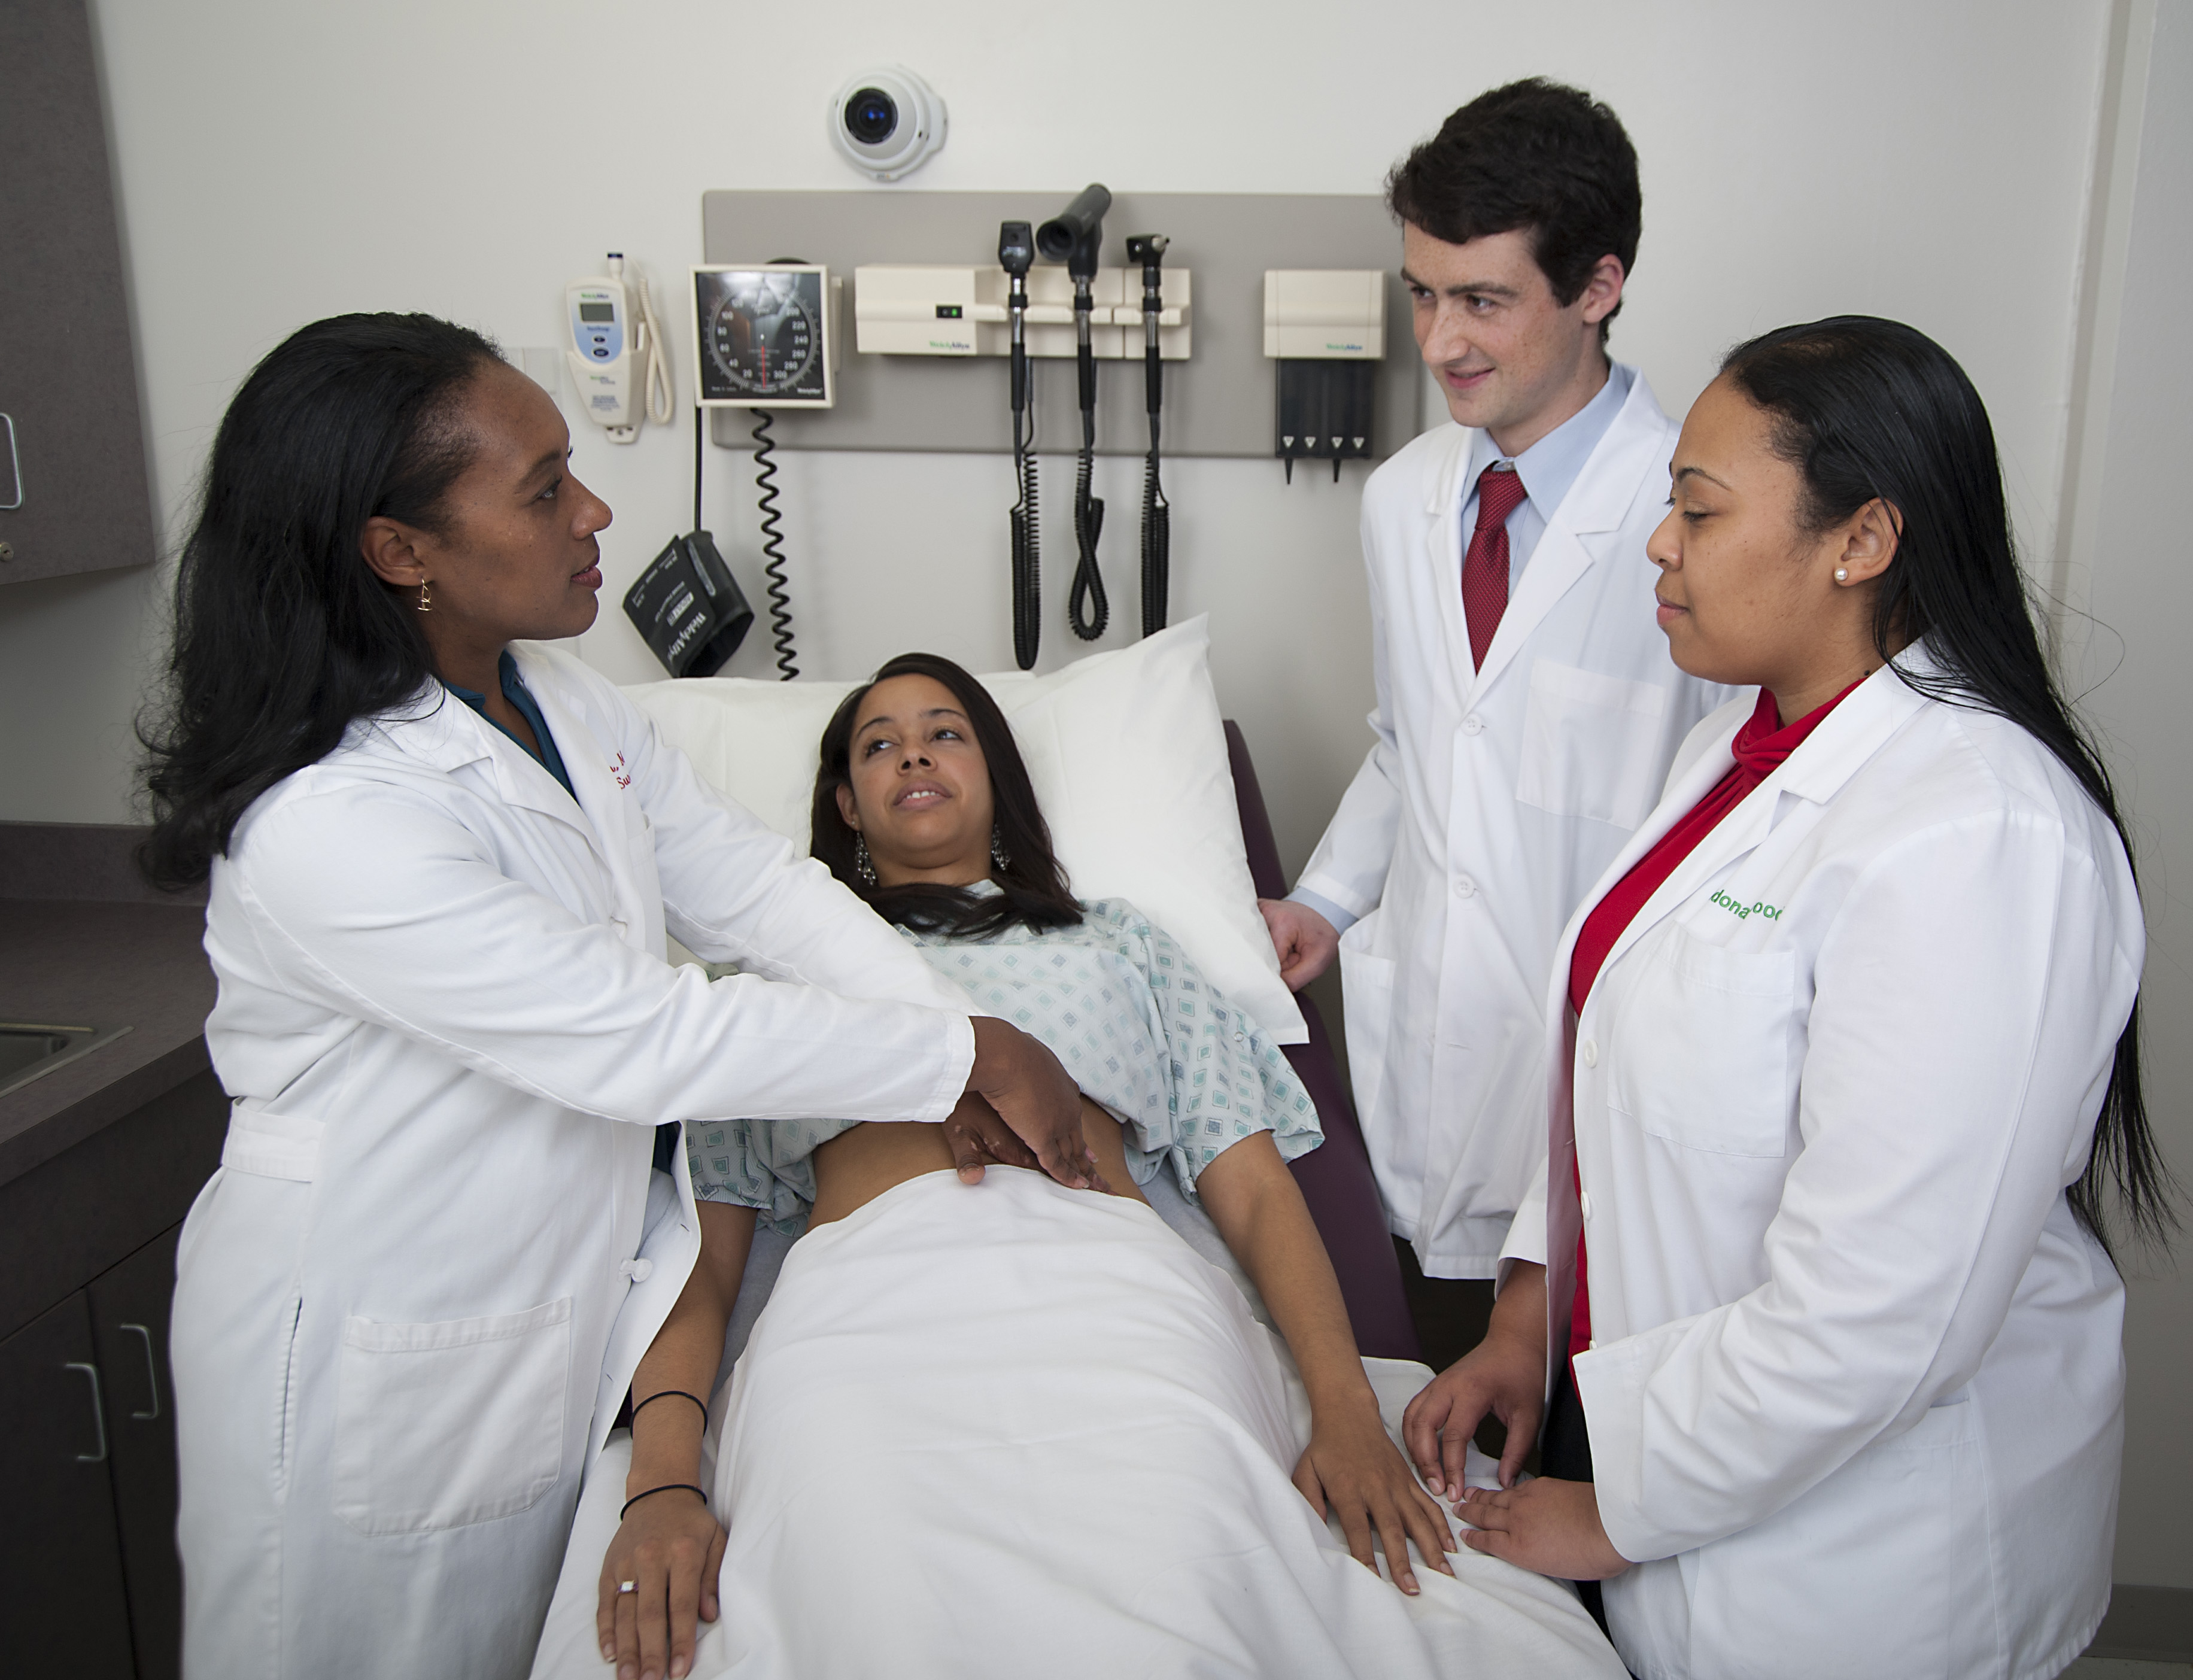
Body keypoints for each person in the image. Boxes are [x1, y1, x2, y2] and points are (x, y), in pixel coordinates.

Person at [145, 315, 1101, 1680]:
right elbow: (644, 1036)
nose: (595, 512)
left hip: (551, 1312)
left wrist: (955, 1036)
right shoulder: (331, 822)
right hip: (376, 1336)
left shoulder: (558, 699)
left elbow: (758, 892)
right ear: (401, 552)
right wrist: (961, 1057)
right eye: (544, 490)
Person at [1403, 317, 2170, 1680]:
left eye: (1699, 511)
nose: (1660, 545)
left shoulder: (1977, 831)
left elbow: (1883, 1313)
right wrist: (1524, 1322)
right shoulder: (1736, 752)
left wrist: (1617, 1509)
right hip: (1681, 1470)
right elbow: (1619, 1075)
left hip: (1863, 1581)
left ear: (1860, 540)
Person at [587, 657, 1609, 1680]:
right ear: (847, 805)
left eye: (946, 733)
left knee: (1178, 1561)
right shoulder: (757, 987)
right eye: (879, 744)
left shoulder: (1115, 943)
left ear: (996, 778)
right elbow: (698, 1260)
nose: (914, 756)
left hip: (1107, 1284)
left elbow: (1254, 1189)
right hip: (861, 1310)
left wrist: (1345, 1413)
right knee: (874, 1588)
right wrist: (664, 1484)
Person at [1258, 80, 1733, 1330]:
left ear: (1598, 287)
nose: (1439, 343)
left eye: (1483, 301)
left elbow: (1731, 814)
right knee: (1431, 1399)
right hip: (1425, 1083)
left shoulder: (1697, 519)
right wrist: (1324, 900)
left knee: (1582, 1417)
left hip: (1600, 1092)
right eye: (1422, 294)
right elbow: (1414, 742)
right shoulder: (1402, 501)